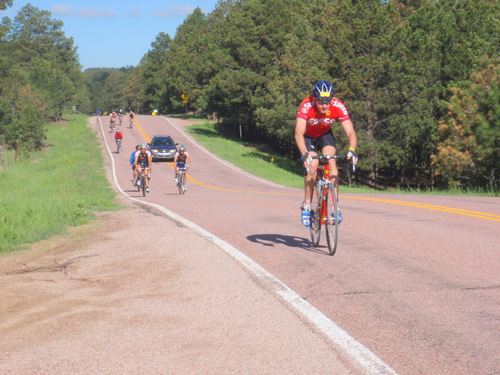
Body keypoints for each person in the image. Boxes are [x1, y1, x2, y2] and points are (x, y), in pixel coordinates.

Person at [295, 80, 358, 227]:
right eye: (320, 102)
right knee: (313, 163)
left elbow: (351, 132)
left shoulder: (338, 105)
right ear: (314, 99)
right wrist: (305, 153)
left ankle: (335, 208)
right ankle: (307, 204)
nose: (324, 106)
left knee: (331, 160)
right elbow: (298, 133)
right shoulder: (306, 105)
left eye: (327, 102)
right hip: (308, 136)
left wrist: (352, 150)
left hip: (324, 134)